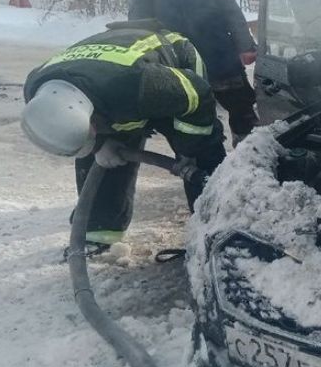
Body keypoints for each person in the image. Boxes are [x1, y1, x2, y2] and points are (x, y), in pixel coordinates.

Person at [21, 20, 226, 253]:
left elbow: (198, 96)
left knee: (201, 148)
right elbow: (84, 136)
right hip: (107, 88)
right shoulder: (37, 88)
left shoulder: (142, 86)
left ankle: (217, 226)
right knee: (94, 156)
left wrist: (189, 150)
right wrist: (99, 146)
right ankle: (98, 231)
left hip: (174, 66)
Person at [129, 0, 259, 144]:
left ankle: (248, 156)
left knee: (243, 111)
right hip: (179, 63)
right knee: (196, 119)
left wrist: (246, 44)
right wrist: (145, 60)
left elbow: (230, 9)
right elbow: (139, 25)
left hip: (220, 56)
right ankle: (211, 164)